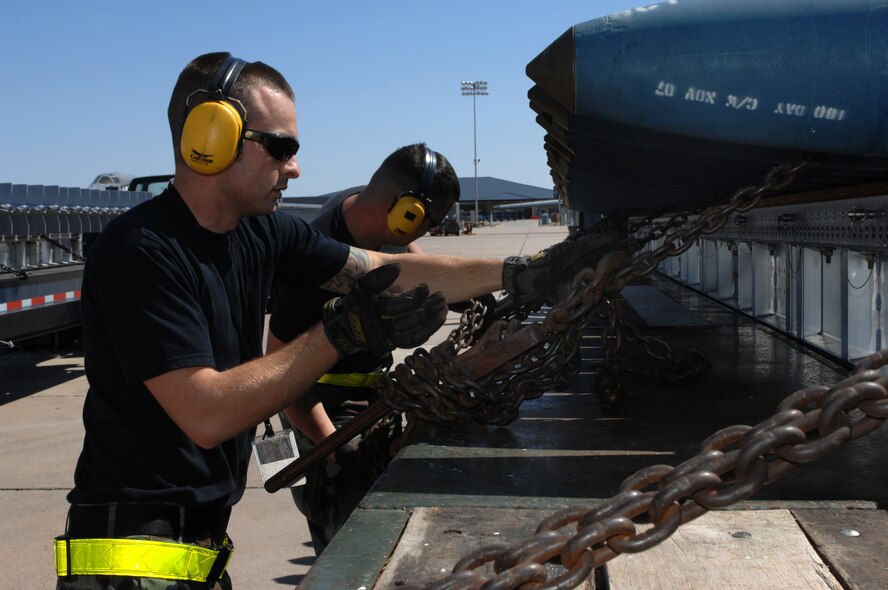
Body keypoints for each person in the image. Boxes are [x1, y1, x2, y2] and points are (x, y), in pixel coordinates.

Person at [53, 52, 593, 590]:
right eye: (281, 147)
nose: (294, 168)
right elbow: (207, 412)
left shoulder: (260, 234)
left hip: (191, 552)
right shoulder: (142, 252)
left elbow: (383, 269)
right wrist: (340, 335)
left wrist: (521, 273)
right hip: (128, 562)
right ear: (212, 135)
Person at [266, 143, 460, 554]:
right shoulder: (313, 255)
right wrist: (332, 445)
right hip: (322, 410)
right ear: (406, 209)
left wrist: (474, 289)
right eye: (432, 221)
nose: (432, 230)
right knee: (347, 545)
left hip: (376, 399)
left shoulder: (383, 226)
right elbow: (282, 375)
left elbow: (421, 268)